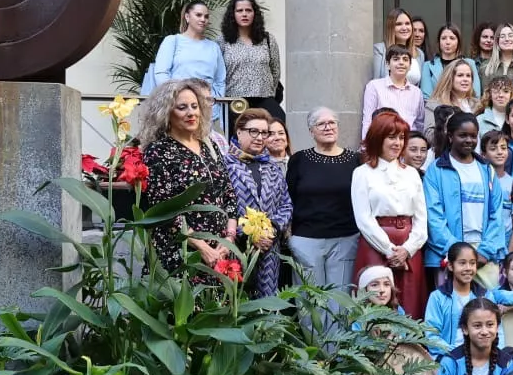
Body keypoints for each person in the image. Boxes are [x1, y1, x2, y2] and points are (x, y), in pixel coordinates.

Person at [138, 80, 238, 279]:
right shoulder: (159, 151)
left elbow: (228, 194)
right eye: (182, 107)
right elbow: (164, 207)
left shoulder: (209, 146)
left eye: (195, 106)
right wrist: (201, 246)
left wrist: (229, 238)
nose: (191, 113)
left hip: (220, 250)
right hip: (183, 250)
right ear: (166, 112)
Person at [351, 111, 429, 319]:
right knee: (375, 301)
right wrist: (388, 250)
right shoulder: (362, 173)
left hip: (408, 245)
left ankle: (410, 350)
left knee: (410, 304)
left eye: (401, 138)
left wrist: (407, 250)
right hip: (375, 243)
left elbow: (421, 219)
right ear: (378, 138)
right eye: (391, 137)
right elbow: (363, 219)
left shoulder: (411, 173)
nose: (397, 143)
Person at [286, 108, 360, 295]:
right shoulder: (299, 160)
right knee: (310, 301)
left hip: (345, 239)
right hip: (306, 240)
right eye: (321, 124)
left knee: (340, 302)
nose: (328, 127)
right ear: (311, 131)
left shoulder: (356, 160)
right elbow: (288, 198)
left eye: (332, 122)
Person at [425, 111, 508, 272]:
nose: (469, 140)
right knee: (451, 297)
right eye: (462, 135)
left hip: (484, 253)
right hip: (448, 253)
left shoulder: (486, 169)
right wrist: (456, 251)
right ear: (450, 136)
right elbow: (433, 216)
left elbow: (496, 214)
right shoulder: (436, 170)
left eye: (473, 136)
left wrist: (485, 250)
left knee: (486, 298)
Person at [224, 108, 293, 298]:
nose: (260, 137)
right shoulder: (224, 165)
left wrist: (269, 230)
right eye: (254, 131)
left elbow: (286, 205)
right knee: (235, 305)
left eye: (265, 132)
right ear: (239, 131)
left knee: (266, 310)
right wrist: (248, 233)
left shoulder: (272, 167)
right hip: (235, 249)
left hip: (269, 249)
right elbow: (220, 208)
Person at [150, 1, 227, 120]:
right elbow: (161, 73)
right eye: (198, 15)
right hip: (178, 106)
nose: (203, 19)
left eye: (206, 16)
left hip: (205, 108)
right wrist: (176, 96)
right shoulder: (172, 41)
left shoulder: (213, 47)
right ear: (187, 17)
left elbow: (220, 79)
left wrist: (214, 101)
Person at [219, 0, 283, 121]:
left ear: (255, 14)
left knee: (280, 126)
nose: (244, 14)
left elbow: (275, 71)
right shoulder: (222, 41)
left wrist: (269, 90)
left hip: (264, 98)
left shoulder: (268, 39)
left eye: (248, 10)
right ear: (233, 15)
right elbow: (218, 73)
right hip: (235, 101)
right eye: (239, 10)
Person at [425, 242, 488, 357]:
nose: (468, 268)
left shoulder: (484, 295)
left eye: (472, 263)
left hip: (481, 356)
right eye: (462, 263)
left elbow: (497, 330)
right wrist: (458, 353)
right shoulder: (437, 297)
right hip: (447, 357)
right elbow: (431, 337)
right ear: (450, 266)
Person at [362, 44, 426, 138]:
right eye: (396, 59)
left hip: (408, 144)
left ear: (410, 65)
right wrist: (366, 148)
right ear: (387, 64)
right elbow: (368, 121)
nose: (401, 63)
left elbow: (419, 124)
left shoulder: (416, 92)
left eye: (405, 59)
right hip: (383, 144)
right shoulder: (374, 86)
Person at [425, 60, 481, 141]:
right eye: (460, 75)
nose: (465, 79)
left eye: (468, 76)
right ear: (449, 78)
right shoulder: (434, 104)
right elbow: (429, 135)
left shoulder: (478, 105)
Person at [422, 23, 479, 97]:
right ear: (439, 42)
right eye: (443, 38)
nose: (447, 42)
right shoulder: (428, 66)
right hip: (437, 107)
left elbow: (475, 94)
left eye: (452, 38)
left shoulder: (470, 63)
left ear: (458, 42)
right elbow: (426, 97)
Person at [373, 8, 423, 85]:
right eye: (399, 24)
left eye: (407, 23)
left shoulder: (419, 53)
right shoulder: (379, 49)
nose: (404, 28)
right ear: (391, 27)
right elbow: (375, 82)